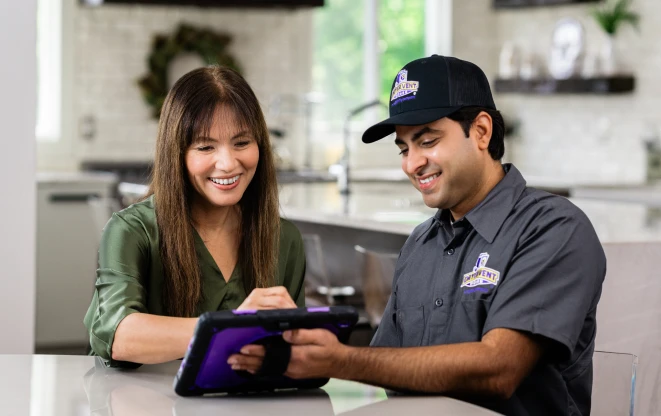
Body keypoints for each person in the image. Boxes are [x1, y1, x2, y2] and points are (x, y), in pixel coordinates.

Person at [229, 55, 606, 416]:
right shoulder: (420, 244)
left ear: (481, 131)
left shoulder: (553, 228)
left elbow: (499, 368)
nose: (412, 164)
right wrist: (295, 341)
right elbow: (386, 370)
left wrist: (340, 358)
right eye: (404, 148)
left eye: (427, 141)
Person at [84, 66, 306, 368]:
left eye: (242, 143)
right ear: (177, 154)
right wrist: (233, 326)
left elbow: (293, 354)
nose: (228, 163)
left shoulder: (285, 239)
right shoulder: (132, 231)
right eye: (205, 147)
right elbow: (121, 336)